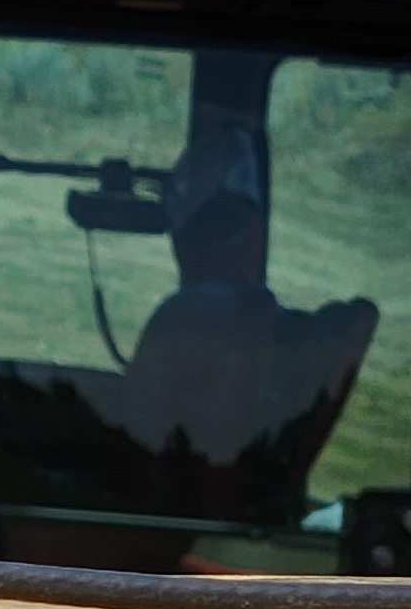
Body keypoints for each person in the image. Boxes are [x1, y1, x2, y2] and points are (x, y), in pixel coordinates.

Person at [111, 126, 379, 505]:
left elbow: (137, 443)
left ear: (181, 242)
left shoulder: (181, 319)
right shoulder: (289, 334)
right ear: (257, 234)